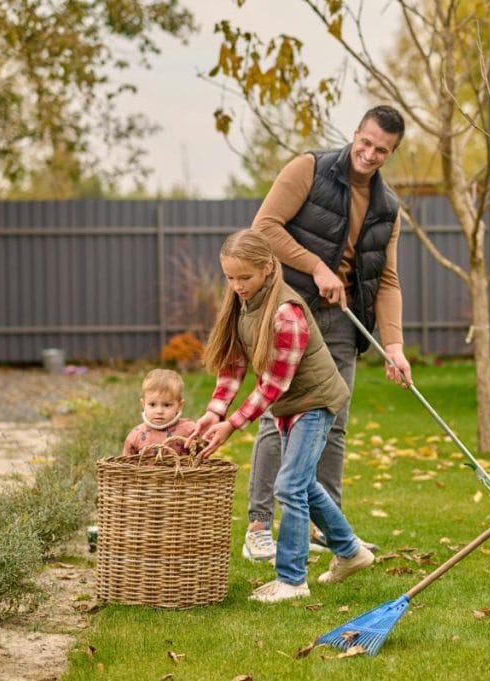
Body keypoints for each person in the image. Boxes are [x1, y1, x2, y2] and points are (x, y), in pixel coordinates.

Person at [242, 104, 412, 562]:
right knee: (280, 414)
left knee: (332, 423)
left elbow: (387, 279)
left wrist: (394, 346)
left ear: (390, 153)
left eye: (382, 150)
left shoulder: (387, 207)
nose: (370, 154)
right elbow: (264, 229)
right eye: (366, 142)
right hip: (291, 310)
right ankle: (259, 526)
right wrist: (316, 267)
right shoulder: (309, 168)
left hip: (342, 319)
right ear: (355, 133)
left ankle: (328, 529)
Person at [188, 229, 374, 602]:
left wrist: (232, 425)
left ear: (269, 268)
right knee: (302, 484)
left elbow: (273, 385)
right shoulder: (245, 306)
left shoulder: (286, 313)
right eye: (230, 277)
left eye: (246, 277)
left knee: (289, 485)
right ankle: (351, 552)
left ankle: (291, 581)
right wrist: (214, 412)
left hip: (315, 402)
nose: (237, 285)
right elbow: (233, 364)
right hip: (292, 406)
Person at [121, 368, 197, 456]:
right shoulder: (136, 435)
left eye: (167, 405)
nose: (159, 411)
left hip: (182, 469)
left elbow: (203, 456)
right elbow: (126, 463)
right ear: (143, 404)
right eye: (152, 405)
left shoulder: (189, 430)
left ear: (179, 406)